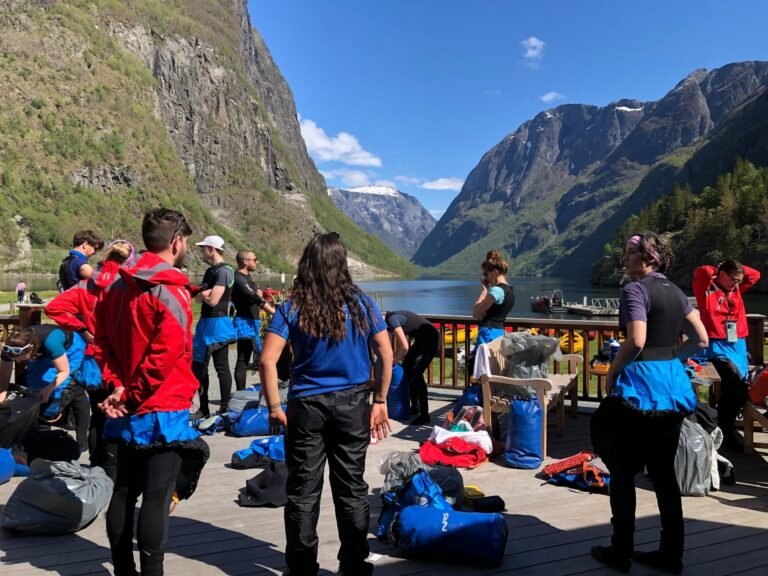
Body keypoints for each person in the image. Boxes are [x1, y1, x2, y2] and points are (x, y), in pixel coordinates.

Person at [260, 232, 393, 576]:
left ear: (307, 265)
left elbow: (267, 360)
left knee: (303, 491)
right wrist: (380, 400)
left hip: (305, 406)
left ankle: (302, 568)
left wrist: (275, 407)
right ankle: (353, 563)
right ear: (342, 264)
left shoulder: (292, 307)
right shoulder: (362, 304)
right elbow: (385, 352)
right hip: (353, 404)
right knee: (352, 487)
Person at [590, 232, 708, 575]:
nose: (625, 260)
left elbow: (636, 339)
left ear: (650, 259)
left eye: (630, 254)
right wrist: (672, 358)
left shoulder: (634, 289)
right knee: (664, 475)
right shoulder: (675, 292)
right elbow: (701, 339)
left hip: (639, 391)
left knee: (623, 473)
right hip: (672, 388)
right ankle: (671, 554)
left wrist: (614, 370)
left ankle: (620, 551)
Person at [95, 208, 199, 576]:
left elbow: (101, 341)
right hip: (161, 405)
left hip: (124, 404)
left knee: (123, 489)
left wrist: (117, 386)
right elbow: (167, 353)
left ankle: (123, 568)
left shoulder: (117, 286)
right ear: (177, 242)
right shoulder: (170, 289)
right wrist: (133, 392)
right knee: (156, 496)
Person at [45, 239, 136, 479]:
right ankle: (120, 467)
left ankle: (98, 466)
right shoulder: (129, 285)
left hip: (94, 359)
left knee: (99, 413)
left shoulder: (86, 285)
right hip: (123, 359)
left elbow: (52, 308)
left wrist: (81, 327)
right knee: (124, 410)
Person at [692, 258, 760, 451]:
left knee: (741, 385)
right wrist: (720, 267)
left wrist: (735, 267)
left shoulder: (736, 288)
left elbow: (755, 274)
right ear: (721, 275)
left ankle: (724, 427)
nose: (736, 284)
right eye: (733, 280)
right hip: (716, 344)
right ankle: (725, 430)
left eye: (739, 281)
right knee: (733, 382)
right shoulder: (705, 288)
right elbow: (702, 271)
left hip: (737, 343)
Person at [0, 325, 91, 453]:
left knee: (65, 386)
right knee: (34, 385)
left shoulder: (51, 343)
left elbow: (64, 371)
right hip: (41, 352)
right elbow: (4, 376)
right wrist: (2, 395)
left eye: (19, 359)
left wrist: (48, 389)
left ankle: (82, 441)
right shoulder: (9, 348)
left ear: (30, 349)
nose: (18, 363)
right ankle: (41, 439)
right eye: (14, 360)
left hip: (70, 349)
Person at [191, 235, 237, 415]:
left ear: (211, 249)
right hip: (205, 322)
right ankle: (204, 408)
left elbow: (213, 300)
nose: (201, 252)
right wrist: (204, 295)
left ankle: (225, 408)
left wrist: (204, 295)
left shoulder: (225, 271)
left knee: (221, 367)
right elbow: (198, 298)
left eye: (203, 248)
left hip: (219, 323)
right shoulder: (210, 272)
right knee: (200, 367)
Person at [385, 310, 439, 425]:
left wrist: (393, 362)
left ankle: (424, 415)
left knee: (416, 374)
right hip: (422, 339)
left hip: (431, 339)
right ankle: (415, 407)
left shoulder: (392, 320)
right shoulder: (392, 319)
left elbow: (404, 346)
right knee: (407, 369)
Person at [231, 250, 275, 391]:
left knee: (253, 356)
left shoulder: (248, 278)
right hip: (245, 322)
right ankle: (241, 393)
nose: (256, 262)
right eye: (254, 259)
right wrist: (274, 312)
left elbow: (258, 295)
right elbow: (256, 297)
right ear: (245, 262)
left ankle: (252, 391)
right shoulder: (238, 278)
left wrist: (258, 294)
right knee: (244, 359)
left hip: (253, 321)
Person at [472, 249, 515, 344]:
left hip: (487, 334)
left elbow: (475, 313)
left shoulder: (496, 291)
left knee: (482, 358)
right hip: (499, 333)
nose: (485, 278)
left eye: (485, 274)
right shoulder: (510, 290)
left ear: (494, 272)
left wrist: (484, 290)